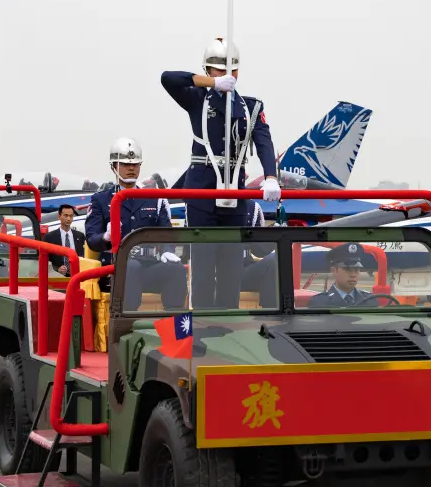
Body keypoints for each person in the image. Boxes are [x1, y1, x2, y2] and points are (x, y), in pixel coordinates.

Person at [161, 38, 282, 309]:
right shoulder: (197, 99)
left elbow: (263, 142)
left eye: (232, 69)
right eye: (218, 69)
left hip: (234, 194)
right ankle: (202, 329)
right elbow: (168, 78)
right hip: (202, 191)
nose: (227, 74)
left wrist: (271, 176)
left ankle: (227, 328)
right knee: (203, 270)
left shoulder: (251, 107)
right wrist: (211, 84)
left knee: (231, 270)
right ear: (207, 70)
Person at [84, 137, 186, 311]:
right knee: (131, 267)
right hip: (116, 268)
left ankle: (174, 326)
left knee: (176, 270)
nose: (131, 168)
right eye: (125, 164)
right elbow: (92, 239)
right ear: (114, 167)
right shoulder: (101, 200)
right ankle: (126, 327)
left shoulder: (154, 199)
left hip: (148, 265)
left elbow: (167, 233)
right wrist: (106, 237)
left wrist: (168, 251)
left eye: (135, 164)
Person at [307, 243, 380, 309]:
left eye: (357, 269)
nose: (353, 275)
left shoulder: (370, 301)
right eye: (347, 269)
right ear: (333, 271)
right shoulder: (319, 303)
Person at [44, 204, 85, 275]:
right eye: (66, 215)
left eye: (71, 216)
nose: (69, 219)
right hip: (57, 277)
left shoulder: (80, 236)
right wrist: (57, 269)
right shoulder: (49, 237)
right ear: (59, 216)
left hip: (77, 275)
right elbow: (45, 260)